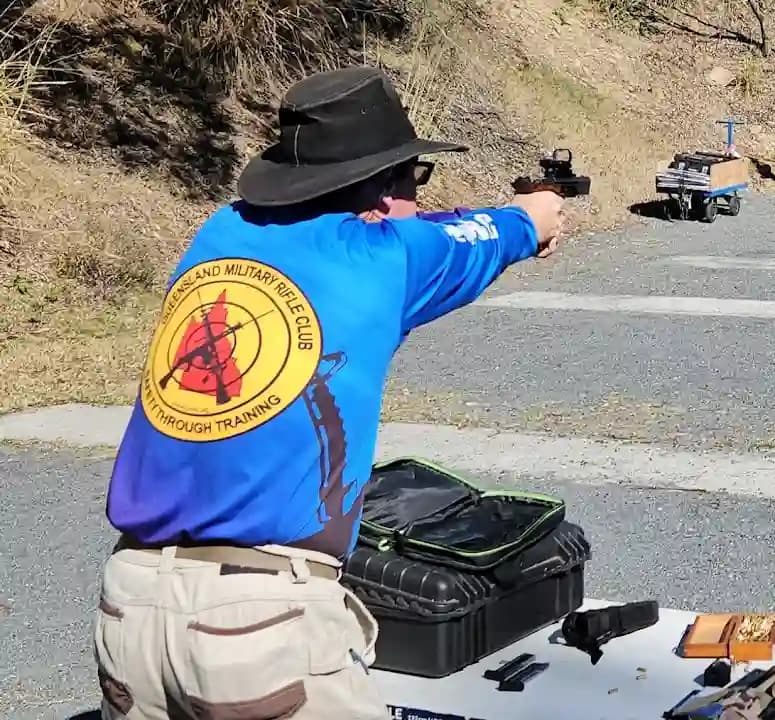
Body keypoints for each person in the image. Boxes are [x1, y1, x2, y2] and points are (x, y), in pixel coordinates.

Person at [93, 66, 564, 720]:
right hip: (259, 624)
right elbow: (486, 234)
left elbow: (427, 230)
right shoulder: (386, 257)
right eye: (410, 180)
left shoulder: (220, 232)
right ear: (374, 192)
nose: (415, 200)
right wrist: (534, 214)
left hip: (130, 609)